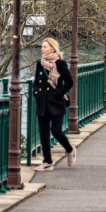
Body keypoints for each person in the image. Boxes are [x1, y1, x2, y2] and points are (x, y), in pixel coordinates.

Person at [33, 38, 76, 170]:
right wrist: (36, 93)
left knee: (56, 131)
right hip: (42, 103)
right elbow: (36, 82)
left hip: (56, 103)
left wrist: (58, 93)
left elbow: (70, 82)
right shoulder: (39, 64)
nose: (42, 49)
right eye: (42, 47)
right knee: (44, 133)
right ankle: (47, 161)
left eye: (45, 47)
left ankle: (70, 150)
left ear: (52, 48)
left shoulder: (60, 64)